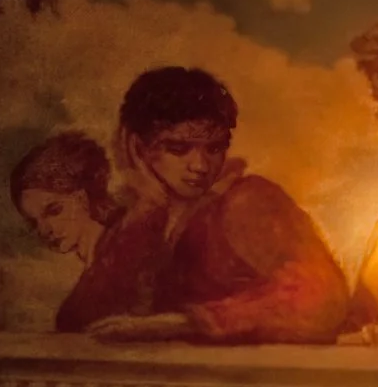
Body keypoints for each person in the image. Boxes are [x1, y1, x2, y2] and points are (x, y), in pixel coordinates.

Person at [78, 66, 361, 346]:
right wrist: (146, 210)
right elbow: (80, 321)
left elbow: (324, 298)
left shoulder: (247, 201)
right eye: (178, 149)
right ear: (138, 149)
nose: (200, 166)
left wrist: (185, 323)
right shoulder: (136, 219)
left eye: (214, 148)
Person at [8, 132, 126, 332]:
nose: (44, 230)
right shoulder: (94, 269)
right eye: (34, 222)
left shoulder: (122, 260)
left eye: (54, 210)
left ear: (82, 198)